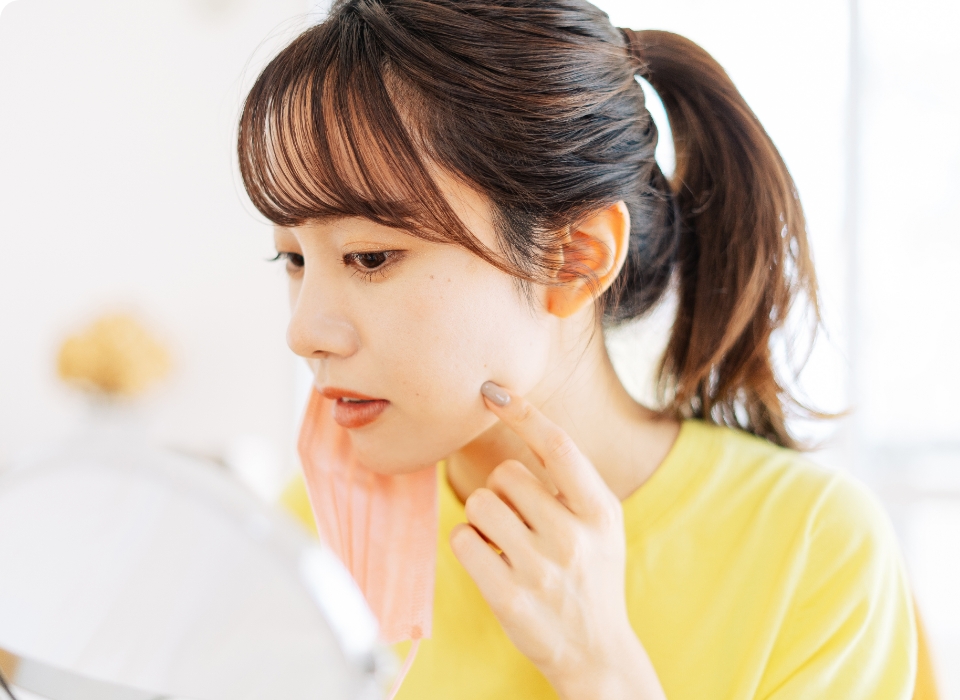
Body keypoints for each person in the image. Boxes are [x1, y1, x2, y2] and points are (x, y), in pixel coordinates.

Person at [238, 1, 918, 698]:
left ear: (575, 260)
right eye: (293, 259)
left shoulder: (812, 547)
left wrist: (599, 669)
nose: (304, 332)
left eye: (371, 256)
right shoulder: (315, 526)